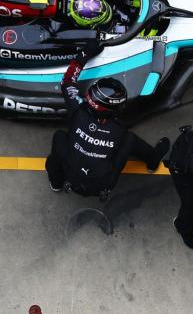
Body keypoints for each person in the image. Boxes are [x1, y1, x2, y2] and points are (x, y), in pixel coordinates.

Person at [45, 40, 169, 199]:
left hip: (71, 176)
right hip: (103, 184)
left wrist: (84, 54)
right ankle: (153, 161)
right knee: (130, 140)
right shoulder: (120, 128)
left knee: (59, 136)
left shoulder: (77, 108)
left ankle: (56, 182)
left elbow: (67, 82)